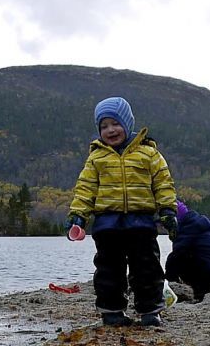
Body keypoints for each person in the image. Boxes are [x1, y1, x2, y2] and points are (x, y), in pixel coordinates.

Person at [66, 96, 177, 327]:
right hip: (107, 225)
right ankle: (111, 311)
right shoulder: (96, 157)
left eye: (115, 124)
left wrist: (167, 210)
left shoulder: (149, 154)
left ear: (127, 124)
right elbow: (85, 189)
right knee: (109, 270)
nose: (110, 130)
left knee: (147, 268)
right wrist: (78, 216)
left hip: (142, 223)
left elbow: (163, 183)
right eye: (104, 126)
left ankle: (150, 311)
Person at [162, 200, 210, 302]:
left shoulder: (186, 229)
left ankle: (173, 288)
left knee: (174, 259)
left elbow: (177, 254)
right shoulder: (209, 222)